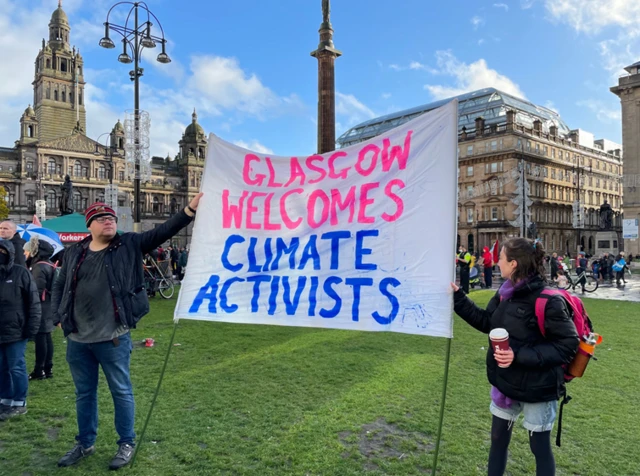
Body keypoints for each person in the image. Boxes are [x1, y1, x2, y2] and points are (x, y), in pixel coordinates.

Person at [52, 194, 203, 470]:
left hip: (113, 337)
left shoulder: (129, 244)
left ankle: (126, 443)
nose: (108, 220)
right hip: (77, 339)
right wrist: (57, 316)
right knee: (84, 394)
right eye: (101, 218)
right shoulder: (74, 252)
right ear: (90, 225)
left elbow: (163, 231)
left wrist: (189, 210)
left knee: (121, 391)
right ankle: (85, 443)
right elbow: (60, 284)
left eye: (111, 217)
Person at [452, 238, 578, 476]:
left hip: (538, 386)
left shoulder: (548, 300)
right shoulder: (504, 292)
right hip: (506, 383)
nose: (496, 262)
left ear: (513, 264)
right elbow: (487, 322)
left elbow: (567, 345)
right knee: (498, 439)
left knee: (539, 447)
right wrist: (458, 298)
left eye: (501, 258)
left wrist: (517, 355)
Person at [0, 239, 42, 421]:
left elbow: (33, 303)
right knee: (2, 368)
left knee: (16, 366)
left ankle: (19, 401)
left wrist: (31, 328)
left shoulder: (21, 273)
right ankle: (5, 399)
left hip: (17, 330)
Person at [24, 236, 57, 380]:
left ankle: (39, 369)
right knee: (46, 336)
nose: (25, 253)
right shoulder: (48, 264)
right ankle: (47, 368)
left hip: (41, 305)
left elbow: (37, 289)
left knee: (41, 337)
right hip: (48, 304)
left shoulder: (39, 266)